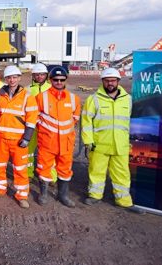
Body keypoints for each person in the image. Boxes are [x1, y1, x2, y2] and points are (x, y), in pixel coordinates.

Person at [81, 68, 143, 213]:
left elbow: (131, 121)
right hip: (99, 145)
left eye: (113, 80)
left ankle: (123, 200)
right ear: (102, 81)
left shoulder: (128, 99)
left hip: (120, 145)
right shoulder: (94, 99)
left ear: (118, 81)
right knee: (96, 171)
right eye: (107, 80)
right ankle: (95, 195)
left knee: (122, 173)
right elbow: (86, 122)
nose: (110, 83)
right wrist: (88, 141)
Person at [0, 65, 39, 208]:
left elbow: (32, 119)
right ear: (5, 79)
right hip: (2, 138)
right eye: (9, 77)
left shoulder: (27, 96)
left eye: (15, 77)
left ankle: (22, 195)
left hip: (19, 139)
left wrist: (27, 138)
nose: (12, 80)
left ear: (19, 78)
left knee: (20, 169)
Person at [35, 66, 80, 207]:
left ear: (66, 80)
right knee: (44, 169)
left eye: (62, 79)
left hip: (66, 143)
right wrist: (45, 133)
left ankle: (63, 195)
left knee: (65, 169)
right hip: (47, 142)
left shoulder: (74, 99)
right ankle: (43, 194)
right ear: (51, 80)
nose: (59, 82)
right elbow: (34, 118)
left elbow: (75, 119)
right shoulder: (41, 97)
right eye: (56, 80)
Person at [26, 63, 52, 179]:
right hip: (32, 125)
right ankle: (28, 173)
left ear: (46, 75)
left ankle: (50, 176)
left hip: (48, 125)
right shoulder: (27, 90)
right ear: (33, 76)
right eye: (37, 74)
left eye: (42, 74)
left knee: (48, 152)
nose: (39, 76)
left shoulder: (52, 88)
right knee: (29, 151)